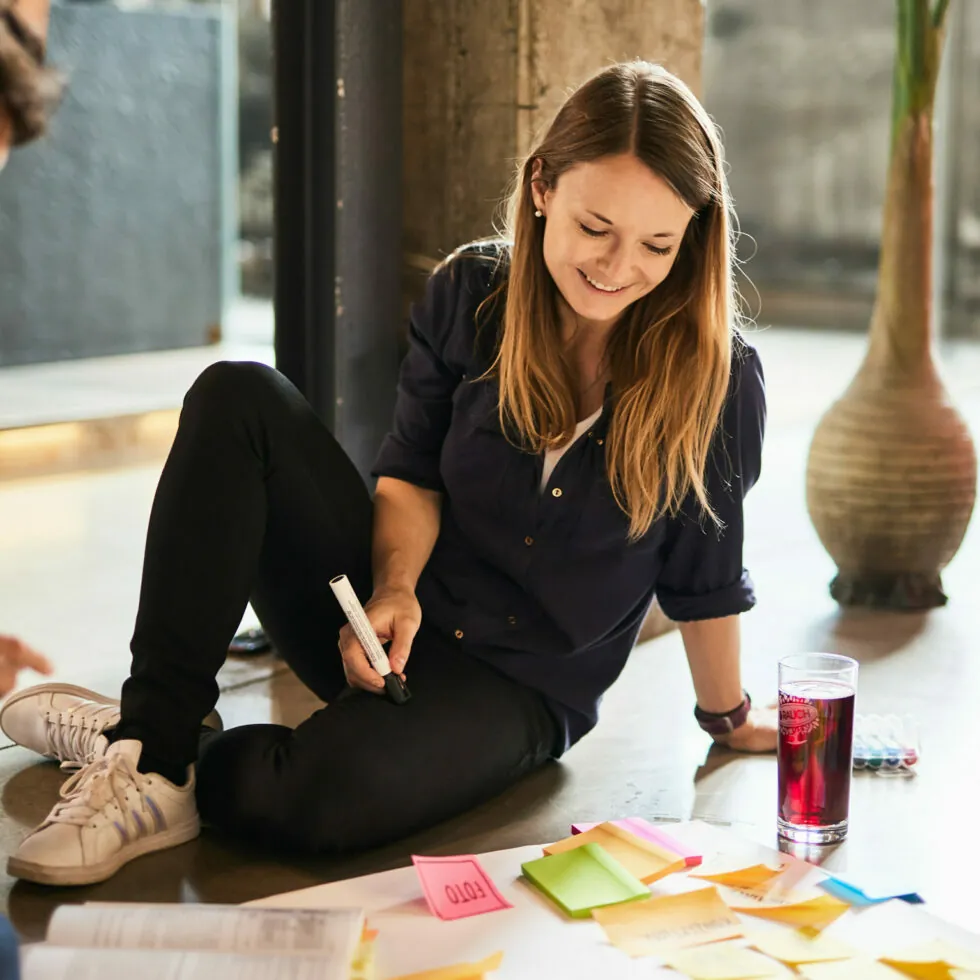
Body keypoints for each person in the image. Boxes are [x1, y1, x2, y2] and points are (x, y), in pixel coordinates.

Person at [2, 60, 776, 889]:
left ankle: (146, 737)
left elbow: (706, 580)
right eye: (596, 227)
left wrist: (725, 716)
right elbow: (411, 474)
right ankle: (152, 755)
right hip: (378, 621)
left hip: (512, 692)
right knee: (240, 395)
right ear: (542, 186)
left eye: (658, 243)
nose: (619, 266)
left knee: (294, 803)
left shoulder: (718, 381)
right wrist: (394, 589)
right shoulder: (471, 292)